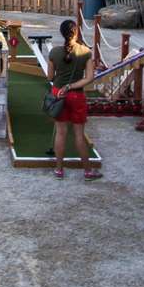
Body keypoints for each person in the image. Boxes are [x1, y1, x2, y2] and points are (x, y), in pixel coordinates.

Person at [46, 19, 102, 181]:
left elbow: (50, 77)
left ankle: (59, 170)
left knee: (61, 133)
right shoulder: (85, 52)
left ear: (61, 33)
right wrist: (71, 86)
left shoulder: (54, 52)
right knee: (79, 135)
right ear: (76, 32)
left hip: (58, 94)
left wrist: (61, 82)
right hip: (76, 95)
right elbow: (90, 78)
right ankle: (87, 171)